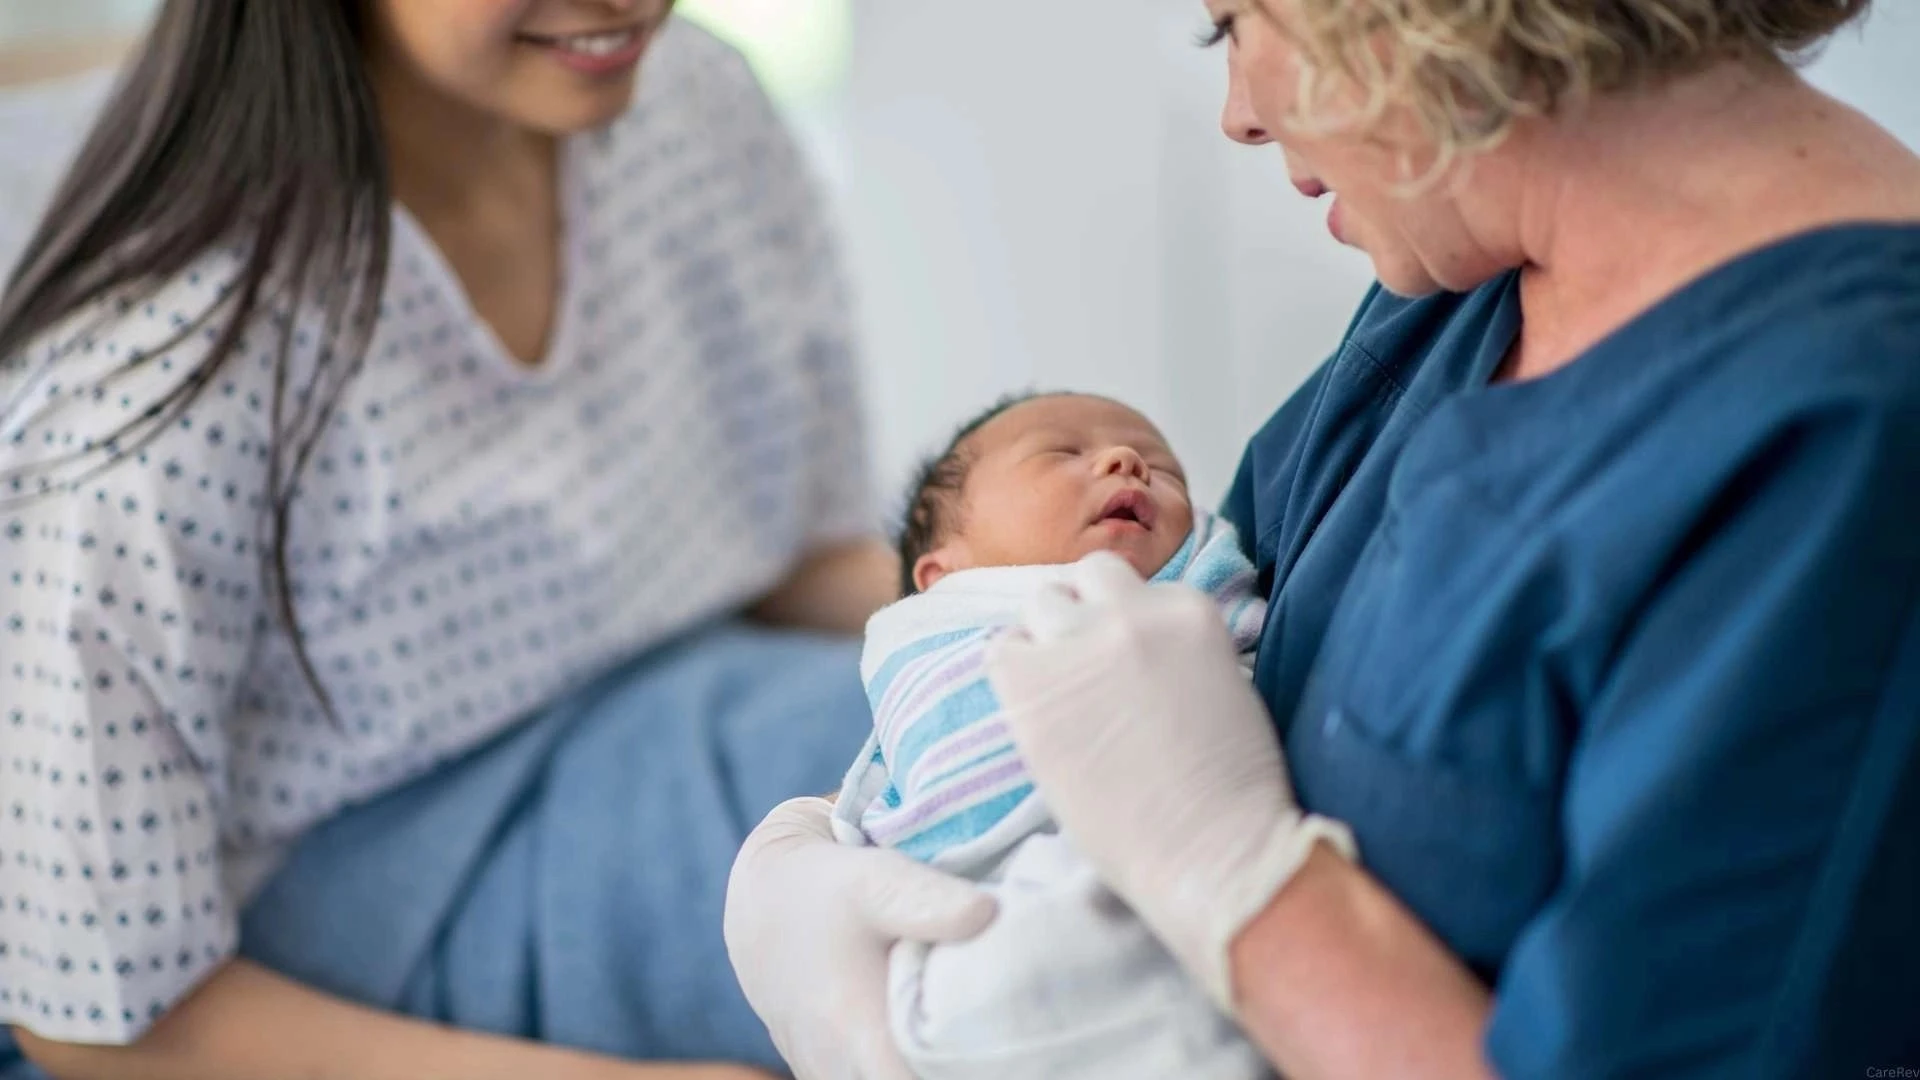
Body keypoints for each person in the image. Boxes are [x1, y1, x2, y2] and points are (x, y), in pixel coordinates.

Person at [723, 0, 1920, 1076]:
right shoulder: (1460, 269)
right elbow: (1138, 661)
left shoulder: (1848, 437)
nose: (1239, 115)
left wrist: (1239, 884)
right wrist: (843, 842)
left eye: (1235, 23)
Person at [0, 1, 893, 1078]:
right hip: (357, 920)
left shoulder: (690, 103)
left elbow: (794, 554)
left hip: (688, 708)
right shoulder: (156, 386)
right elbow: (95, 1017)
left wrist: (1019, 586)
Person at [832, 392, 1277, 1078]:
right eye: (1061, 453)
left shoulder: (1197, 594)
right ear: (943, 574)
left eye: (1164, 468)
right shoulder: (928, 640)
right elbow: (902, 785)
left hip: (1176, 886)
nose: (1126, 461)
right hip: (977, 914)